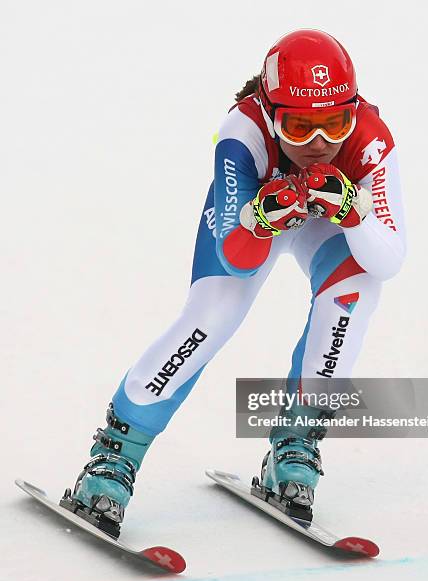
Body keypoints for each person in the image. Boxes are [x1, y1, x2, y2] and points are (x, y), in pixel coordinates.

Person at [61, 29, 406, 536]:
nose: (319, 145)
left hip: (326, 224)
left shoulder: (371, 138)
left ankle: (297, 441)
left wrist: (352, 213)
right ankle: (116, 455)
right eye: (300, 126)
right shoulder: (242, 133)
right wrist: (261, 219)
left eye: (335, 123)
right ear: (269, 115)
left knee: (355, 290)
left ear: (354, 113)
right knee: (214, 312)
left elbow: (388, 258)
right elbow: (237, 258)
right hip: (250, 224)